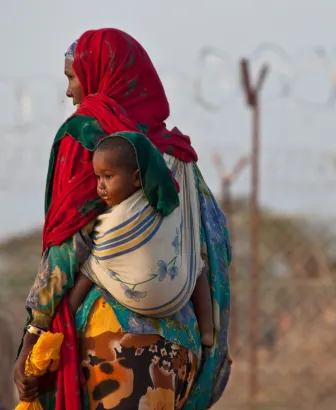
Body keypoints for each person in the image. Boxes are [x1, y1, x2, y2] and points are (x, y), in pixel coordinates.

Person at [14, 28, 231, 410]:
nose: (69, 92)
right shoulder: (180, 155)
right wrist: (214, 343)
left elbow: (68, 245)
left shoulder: (89, 137)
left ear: (100, 76)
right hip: (182, 348)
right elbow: (216, 247)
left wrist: (34, 333)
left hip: (109, 344)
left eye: (72, 78)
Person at [68, 135, 214, 347]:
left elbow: (96, 264)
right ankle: (207, 330)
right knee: (195, 265)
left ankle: (67, 317)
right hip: (175, 294)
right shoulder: (163, 201)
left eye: (108, 177)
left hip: (136, 295)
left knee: (91, 270)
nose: (101, 186)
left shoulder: (115, 218)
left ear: (137, 178)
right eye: (98, 177)